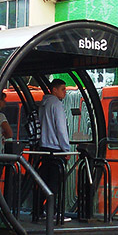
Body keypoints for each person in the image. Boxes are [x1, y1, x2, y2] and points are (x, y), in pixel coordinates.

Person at [37, 78, 71, 221]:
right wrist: (66, 149)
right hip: (56, 149)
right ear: (54, 90)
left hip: (44, 147)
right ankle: (54, 212)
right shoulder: (56, 104)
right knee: (55, 183)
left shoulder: (43, 104)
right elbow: (61, 129)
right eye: (63, 89)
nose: (65, 92)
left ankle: (39, 210)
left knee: (43, 181)